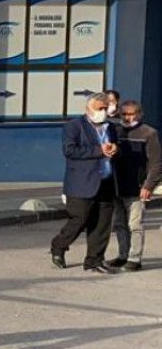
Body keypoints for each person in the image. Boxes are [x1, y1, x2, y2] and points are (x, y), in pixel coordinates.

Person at [51, 93, 120, 274]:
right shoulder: (74, 126)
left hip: (105, 180)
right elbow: (69, 150)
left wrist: (114, 148)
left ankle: (94, 260)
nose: (103, 112)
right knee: (79, 219)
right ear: (88, 109)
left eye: (105, 108)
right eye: (99, 109)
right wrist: (99, 150)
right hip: (81, 182)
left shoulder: (111, 127)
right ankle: (59, 246)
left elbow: (115, 146)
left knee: (102, 223)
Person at [108, 100, 161, 271]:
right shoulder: (115, 131)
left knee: (135, 225)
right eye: (124, 114)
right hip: (117, 186)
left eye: (131, 114)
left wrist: (148, 186)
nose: (128, 118)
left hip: (137, 187)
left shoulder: (149, 133)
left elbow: (156, 163)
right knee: (119, 224)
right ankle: (123, 256)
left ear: (139, 114)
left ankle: (134, 259)